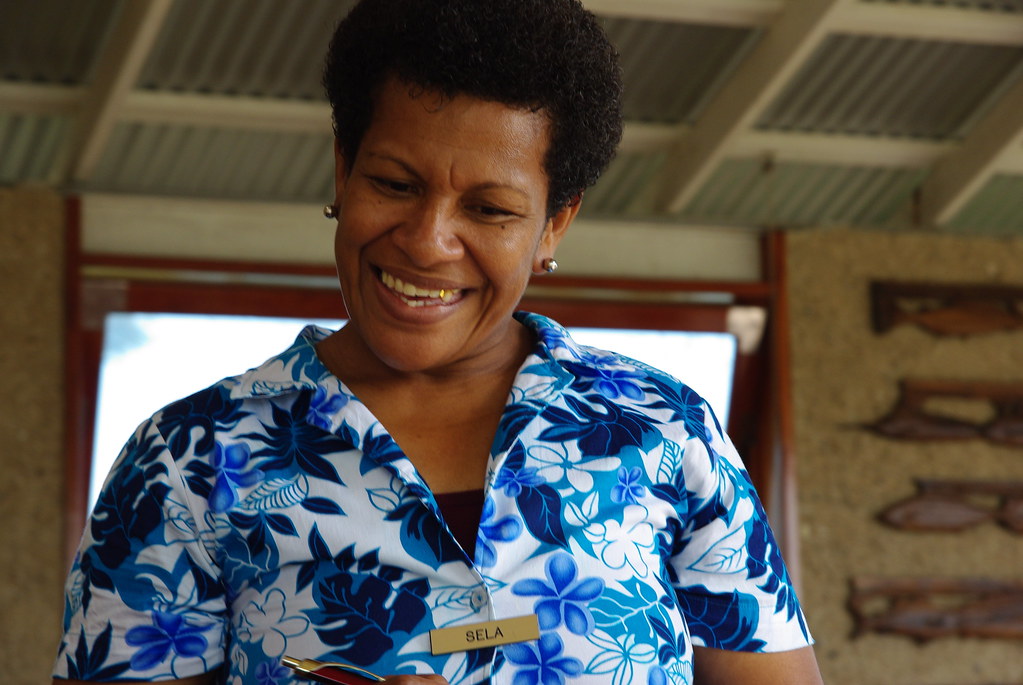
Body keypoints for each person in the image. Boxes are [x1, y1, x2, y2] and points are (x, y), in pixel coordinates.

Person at [53, 0, 824, 683]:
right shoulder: (187, 460)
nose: (427, 242)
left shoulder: (663, 429)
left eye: (489, 209)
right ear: (342, 169)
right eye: (393, 183)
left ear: (554, 222)